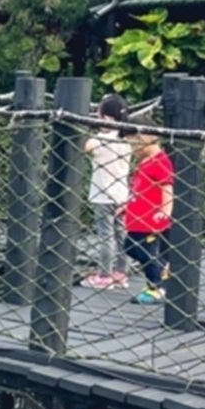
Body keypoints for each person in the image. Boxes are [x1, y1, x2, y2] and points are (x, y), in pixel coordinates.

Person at [82, 93, 132, 289]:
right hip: (122, 194)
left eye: (98, 115)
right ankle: (121, 272)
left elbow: (82, 147)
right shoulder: (126, 140)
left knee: (106, 236)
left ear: (107, 119)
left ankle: (104, 275)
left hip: (103, 195)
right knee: (121, 234)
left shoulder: (99, 140)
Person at [123, 130, 175, 305]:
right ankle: (162, 268)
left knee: (146, 253)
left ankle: (155, 288)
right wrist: (126, 205)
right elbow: (139, 188)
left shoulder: (160, 161)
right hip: (137, 217)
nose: (132, 149)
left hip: (149, 220)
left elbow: (167, 187)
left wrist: (165, 210)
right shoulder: (144, 161)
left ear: (143, 139)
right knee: (130, 247)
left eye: (133, 144)